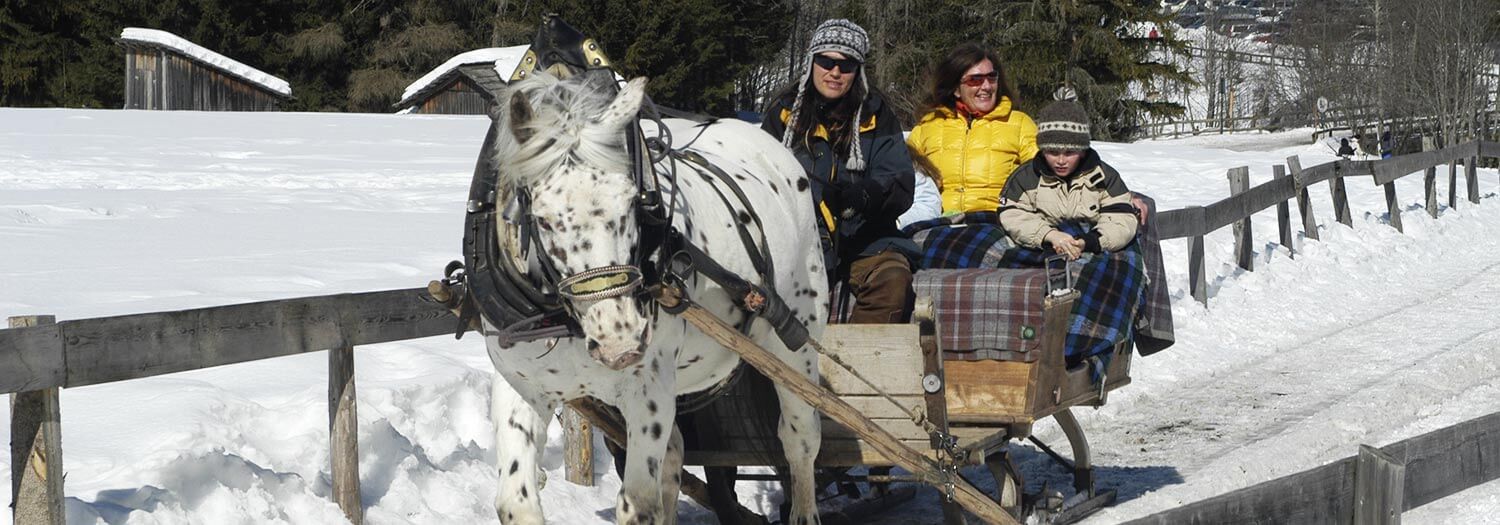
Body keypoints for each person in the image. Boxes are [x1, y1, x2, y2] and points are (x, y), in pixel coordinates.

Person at [762, 18, 916, 324]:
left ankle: (861, 353)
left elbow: (900, 182)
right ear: (811, 62)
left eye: (846, 65)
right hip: (798, 239)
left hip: (867, 239)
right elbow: (759, 178)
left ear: (858, 71)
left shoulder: (877, 115)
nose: (835, 72)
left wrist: (865, 195)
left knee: (892, 280)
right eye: (826, 61)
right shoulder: (783, 113)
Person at [907, 43, 1038, 215]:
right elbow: (903, 175)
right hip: (940, 220)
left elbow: (1042, 176)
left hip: (997, 219)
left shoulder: (1019, 124)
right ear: (956, 88)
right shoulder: (928, 126)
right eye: (975, 80)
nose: (986, 86)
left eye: (992, 77)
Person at [998, 100, 1137, 260]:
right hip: (1041, 244)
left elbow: (1122, 217)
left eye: (1069, 152)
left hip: (1094, 242)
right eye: (1053, 152)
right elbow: (1012, 215)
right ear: (1042, 150)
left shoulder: (1104, 176)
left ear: (1083, 151)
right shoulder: (1026, 177)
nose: (1061, 161)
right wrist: (1049, 235)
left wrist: (1090, 241)